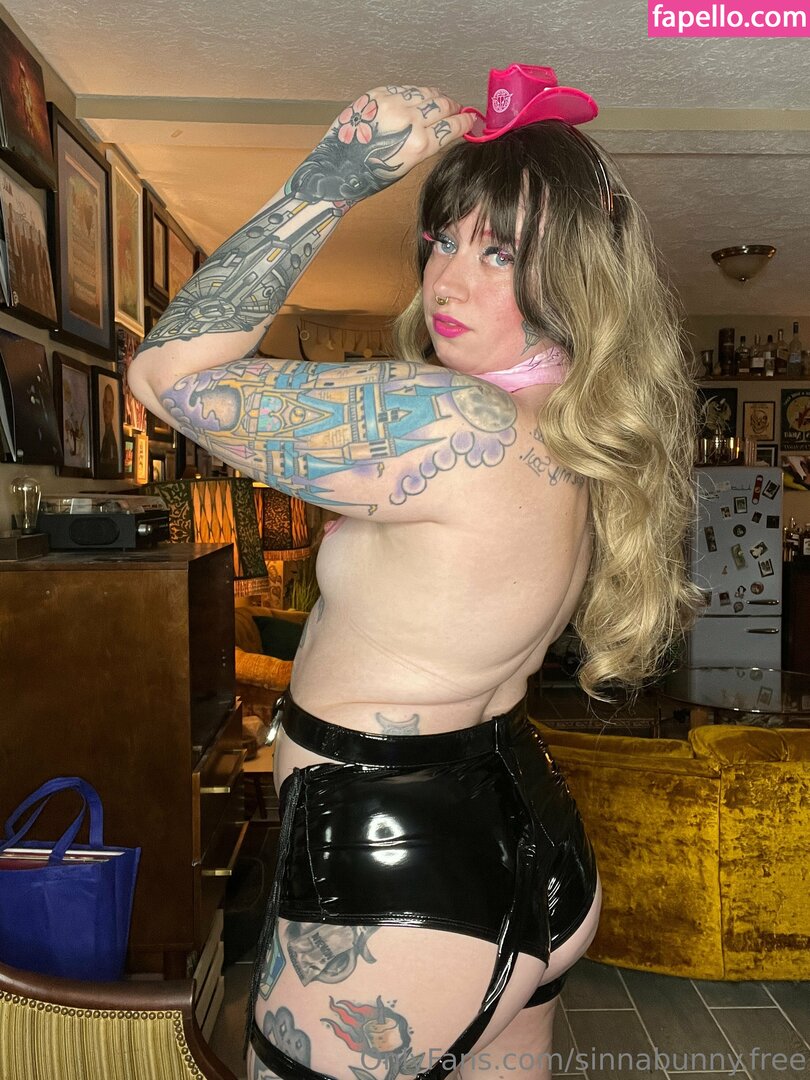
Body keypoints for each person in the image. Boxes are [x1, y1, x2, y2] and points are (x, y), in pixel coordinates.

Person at [129, 64, 700, 1080]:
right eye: (443, 238)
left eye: (500, 251)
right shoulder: (571, 423)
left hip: (392, 882)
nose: (448, 280)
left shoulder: (455, 420)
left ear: (572, 273)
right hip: (531, 841)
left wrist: (333, 177)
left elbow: (165, 374)